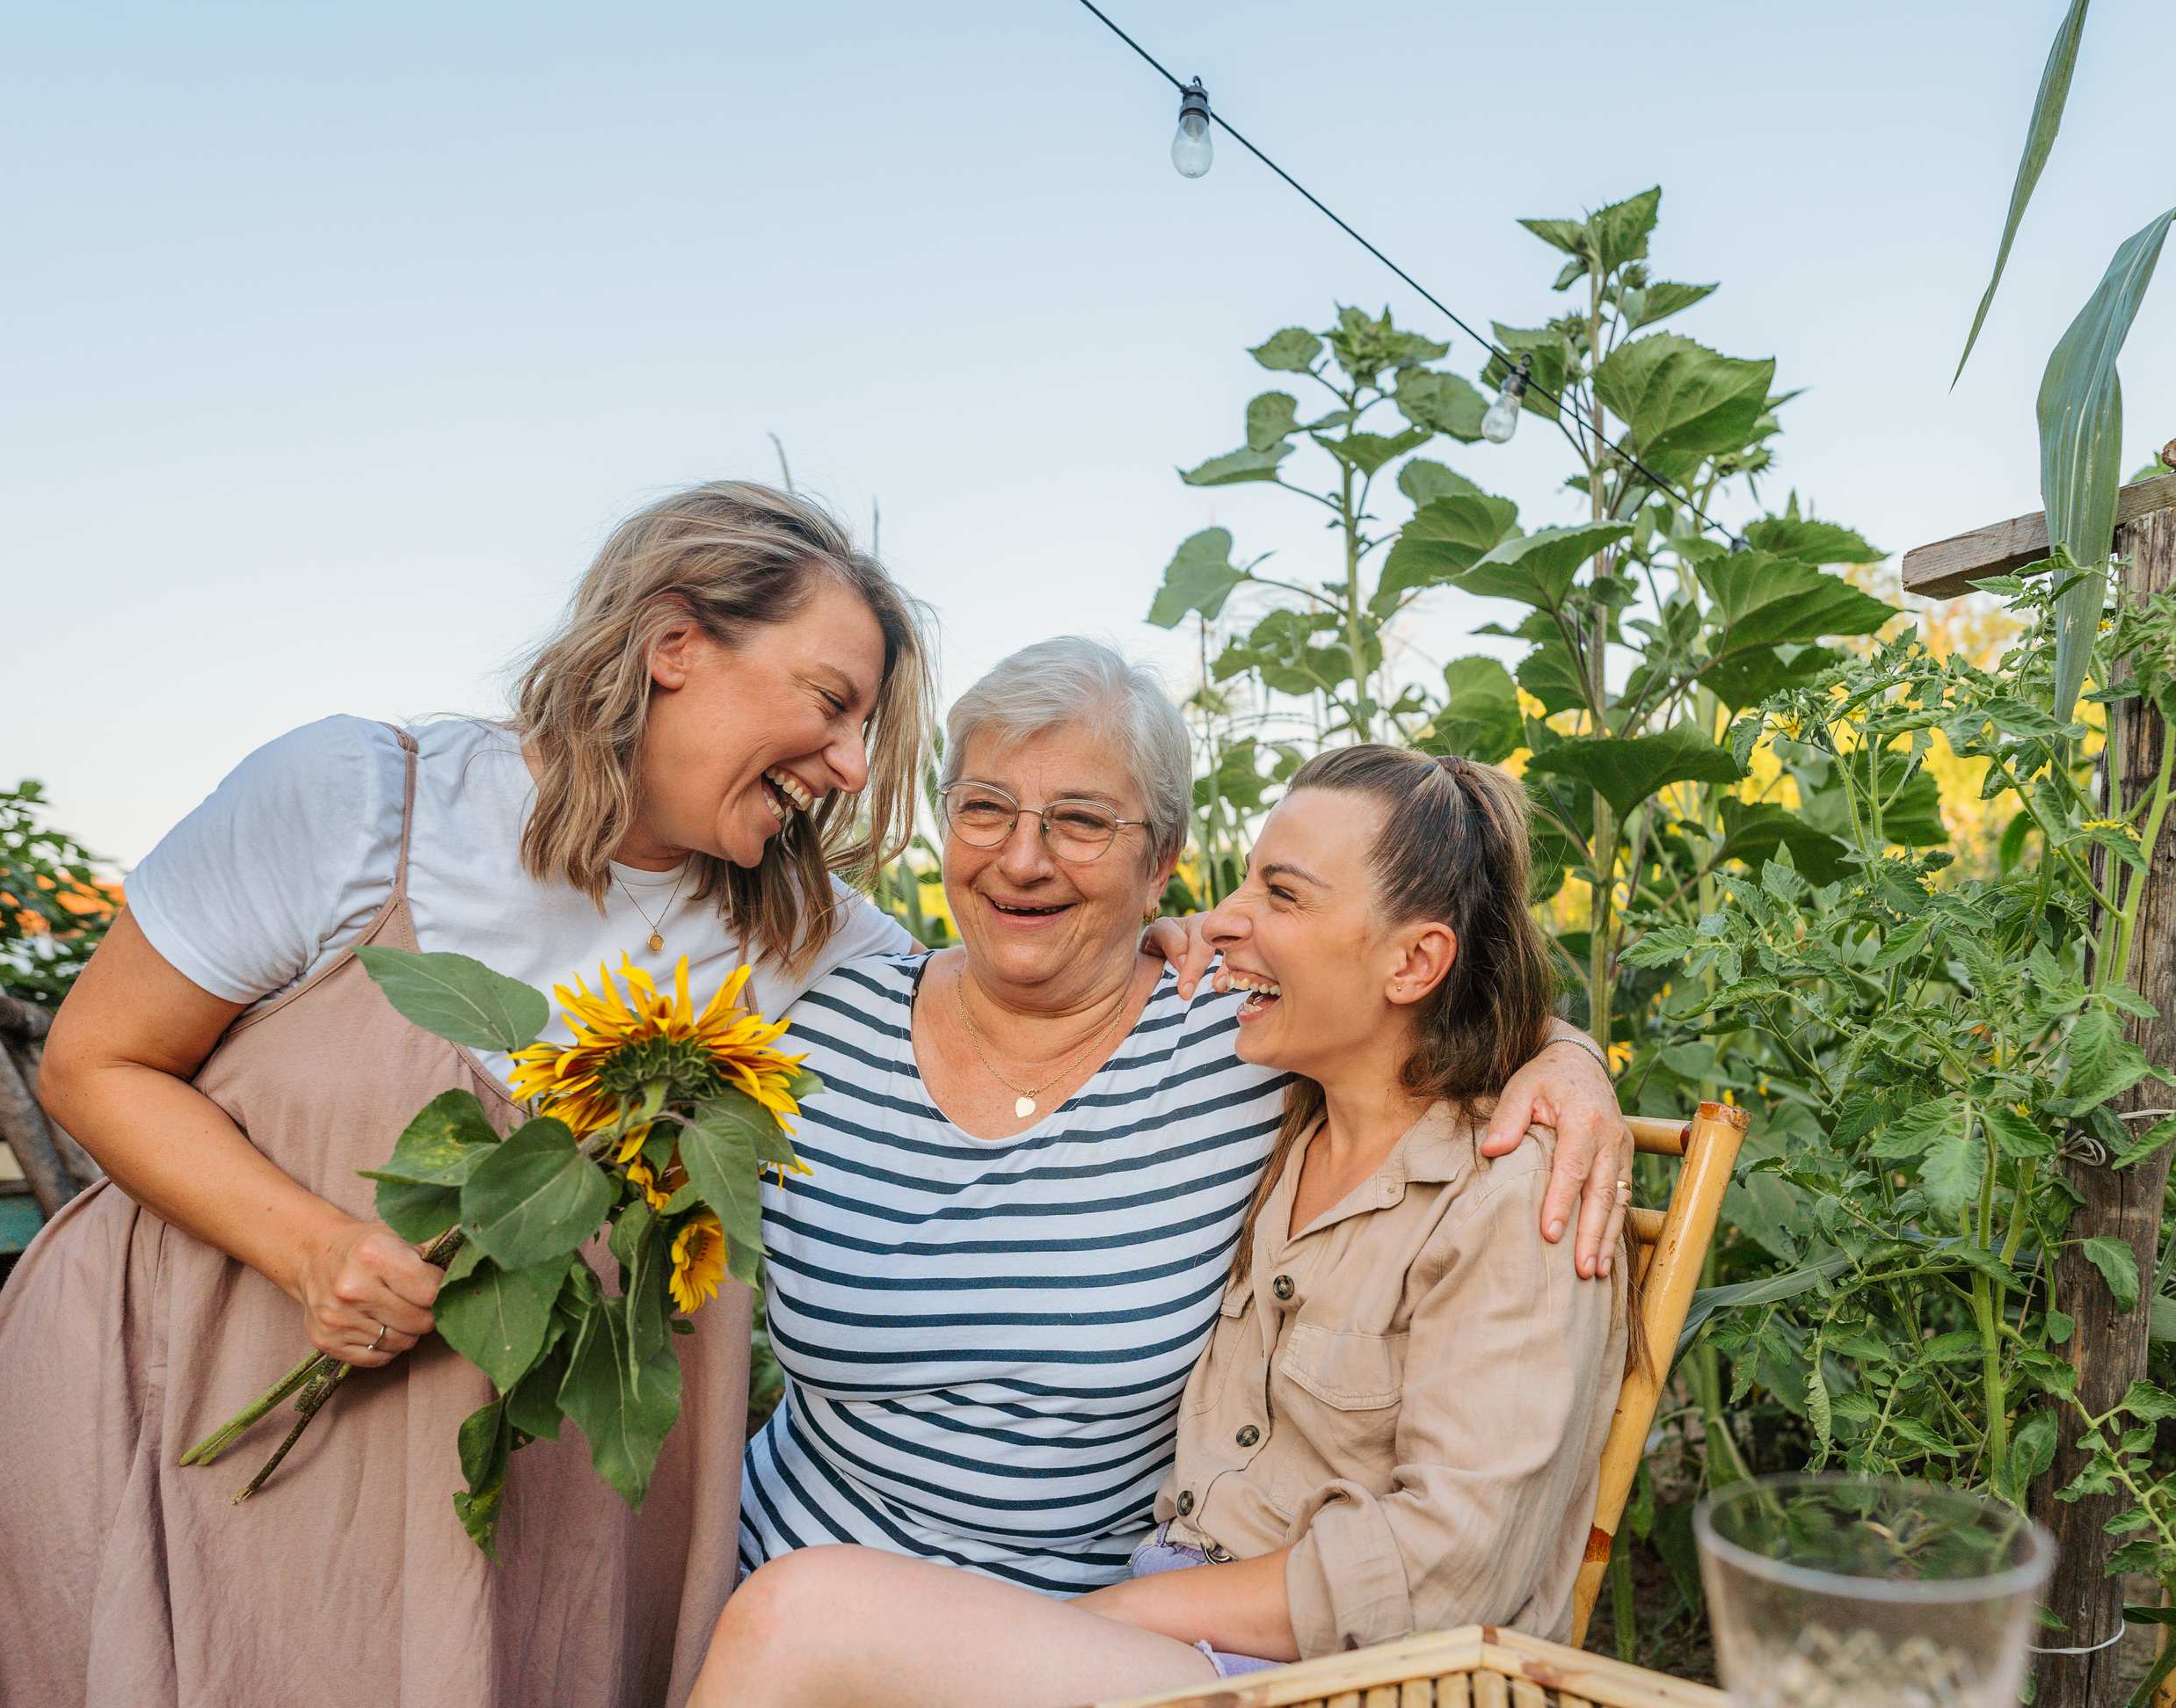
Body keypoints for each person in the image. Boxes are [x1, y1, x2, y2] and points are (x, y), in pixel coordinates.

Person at [0, 483, 937, 1708]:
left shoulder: (807, 936)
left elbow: (1026, 995)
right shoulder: (360, 801)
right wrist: (310, 1247)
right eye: (829, 703)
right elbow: (93, 1064)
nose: (853, 763)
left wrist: (1188, 943)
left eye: (866, 727)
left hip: (528, 1516)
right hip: (195, 1410)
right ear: (673, 646)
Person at [698, 704, 1632, 1706]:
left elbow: (1448, 1568)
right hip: (1170, 1627)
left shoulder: (1519, 1187)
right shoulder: (1284, 1113)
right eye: (983, 808)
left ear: (1412, 962)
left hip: (1347, 1675)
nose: (1221, 919)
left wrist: (1104, 1616)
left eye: (1280, 892)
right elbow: (1437, 1006)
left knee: (800, 1617)